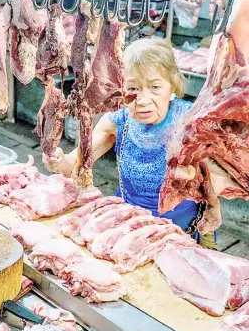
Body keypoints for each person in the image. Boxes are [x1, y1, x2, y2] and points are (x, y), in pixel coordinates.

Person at [43, 38, 218, 248]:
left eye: (155, 87)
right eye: (133, 89)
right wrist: (58, 161)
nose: (142, 100)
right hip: (129, 227)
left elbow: (216, 178)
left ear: (172, 85)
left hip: (180, 230)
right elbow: (74, 164)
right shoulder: (119, 120)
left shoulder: (191, 120)